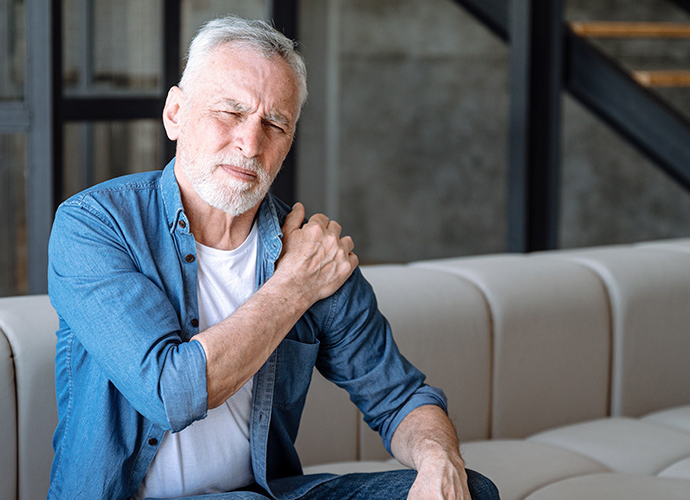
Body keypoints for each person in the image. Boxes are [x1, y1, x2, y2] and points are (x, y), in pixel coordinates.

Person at [46, 16, 499, 500]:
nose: (250, 143)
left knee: (474, 491)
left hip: (262, 493)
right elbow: (170, 391)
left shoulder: (310, 251)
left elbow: (399, 396)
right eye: (230, 112)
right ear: (175, 113)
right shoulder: (95, 224)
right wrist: (294, 288)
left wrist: (439, 461)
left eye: (274, 123)